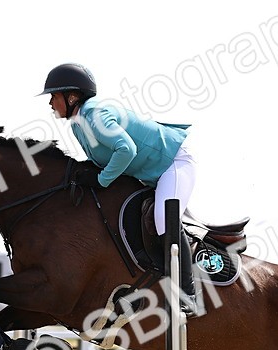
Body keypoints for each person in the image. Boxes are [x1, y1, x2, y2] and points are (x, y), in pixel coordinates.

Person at [41, 62, 200, 314]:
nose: (50, 103)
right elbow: (102, 160)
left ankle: (189, 295)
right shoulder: (77, 124)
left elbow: (126, 149)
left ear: (72, 97)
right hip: (152, 173)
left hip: (174, 162)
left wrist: (102, 180)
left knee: (162, 219)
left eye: (54, 96)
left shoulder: (93, 115)